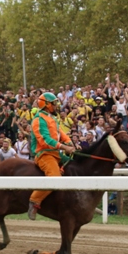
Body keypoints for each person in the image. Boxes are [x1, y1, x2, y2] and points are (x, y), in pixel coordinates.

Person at [28, 92, 76, 220]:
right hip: (44, 154)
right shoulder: (38, 119)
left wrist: (70, 143)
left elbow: (60, 133)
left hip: (56, 153)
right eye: (54, 103)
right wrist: (64, 147)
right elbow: (45, 140)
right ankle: (34, 200)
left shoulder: (52, 118)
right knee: (55, 178)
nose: (56, 106)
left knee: (75, 165)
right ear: (47, 105)